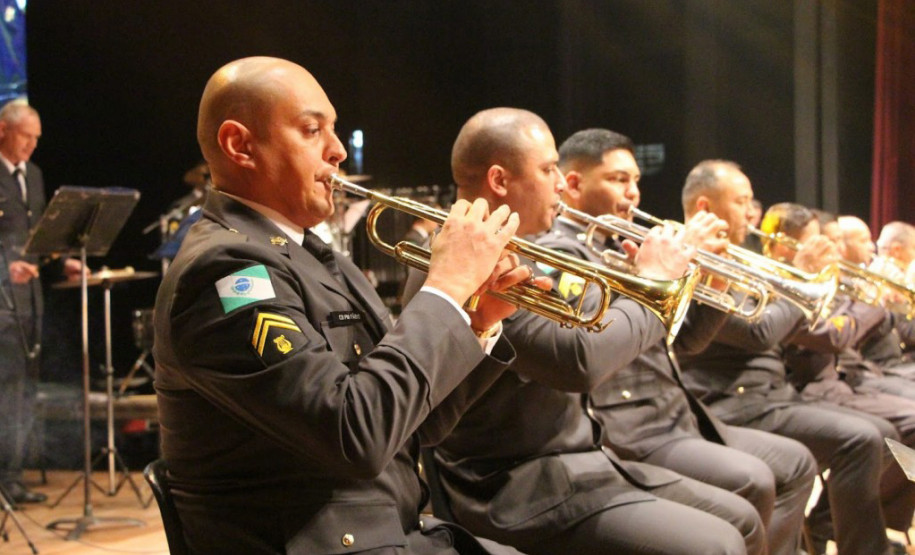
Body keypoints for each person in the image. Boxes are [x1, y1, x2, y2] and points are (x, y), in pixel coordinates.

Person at [153, 56, 535, 554]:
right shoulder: (225, 274)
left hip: (390, 534)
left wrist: (475, 320)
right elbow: (356, 435)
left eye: (332, 130)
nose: (337, 151)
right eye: (312, 130)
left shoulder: (315, 255)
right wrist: (444, 290)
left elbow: (413, 424)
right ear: (240, 145)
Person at [405, 109, 758, 555]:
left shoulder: (517, 250)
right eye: (549, 169)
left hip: (578, 460)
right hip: (513, 485)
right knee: (719, 542)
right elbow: (580, 362)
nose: (559, 183)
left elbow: (606, 341)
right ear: (499, 180)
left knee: (740, 519)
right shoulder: (466, 259)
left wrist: (661, 282)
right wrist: (654, 283)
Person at [552, 129, 816, 555]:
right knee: (753, 485)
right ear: (575, 184)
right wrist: (657, 275)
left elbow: (689, 340)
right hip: (628, 425)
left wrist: (714, 276)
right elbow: (591, 349)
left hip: (677, 412)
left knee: (793, 467)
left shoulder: (621, 245)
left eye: (635, 181)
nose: (633, 194)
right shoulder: (562, 251)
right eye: (619, 180)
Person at [677, 160, 903, 555]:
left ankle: (846, 542)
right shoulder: (691, 261)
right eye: (742, 201)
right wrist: (800, 277)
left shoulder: (738, 260)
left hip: (773, 394)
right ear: (704, 207)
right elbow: (758, 332)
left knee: (877, 434)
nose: (752, 213)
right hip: (729, 400)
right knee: (862, 438)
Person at [0, 100, 80, 504]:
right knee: (4, 389)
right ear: (3, 130)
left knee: (24, 390)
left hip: (30, 300)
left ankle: (13, 476)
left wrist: (60, 263)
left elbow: (36, 239)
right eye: (25, 136)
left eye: (35, 138)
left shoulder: (33, 175)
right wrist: (4, 269)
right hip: (1, 303)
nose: (32, 145)